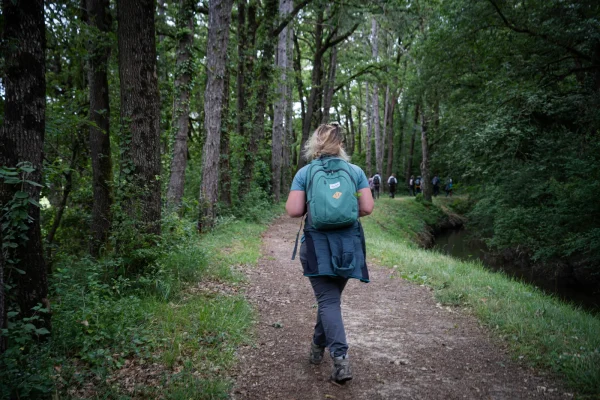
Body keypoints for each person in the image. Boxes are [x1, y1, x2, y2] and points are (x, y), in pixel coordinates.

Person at [286, 123, 374, 384]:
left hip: (317, 246)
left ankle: (341, 362)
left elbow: (293, 210)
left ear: (315, 145)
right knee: (330, 300)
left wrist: (319, 211)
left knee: (328, 301)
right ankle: (316, 348)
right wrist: (345, 212)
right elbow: (367, 208)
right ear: (341, 145)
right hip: (349, 245)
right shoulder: (355, 171)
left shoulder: (305, 173)